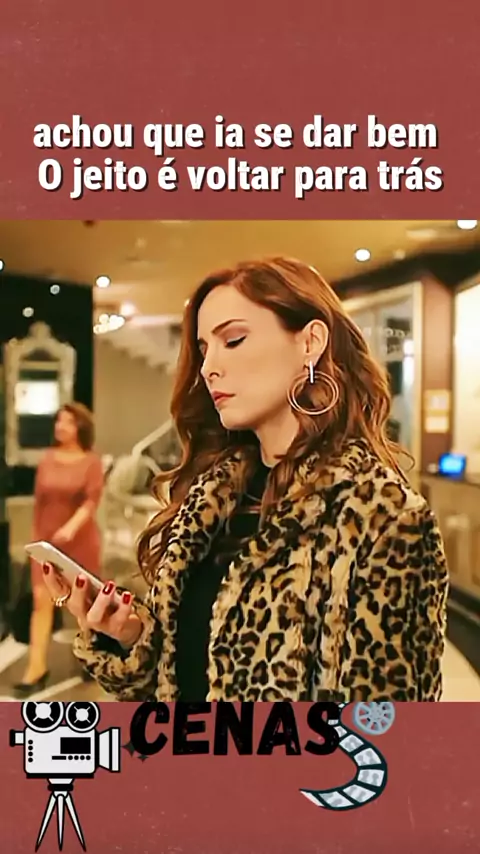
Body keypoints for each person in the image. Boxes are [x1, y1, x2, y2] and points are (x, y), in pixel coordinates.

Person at [42, 257, 449, 703]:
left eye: (233, 340)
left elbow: (386, 731)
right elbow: (179, 681)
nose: (208, 368)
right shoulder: (209, 499)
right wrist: (128, 635)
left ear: (310, 342)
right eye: (203, 349)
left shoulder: (384, 517)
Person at [14, 402, 104, 697]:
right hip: (46, 543)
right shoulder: (48, 459)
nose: (59, 427)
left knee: (83, 606)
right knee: (42, 604)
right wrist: (34, 540)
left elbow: (91, 501)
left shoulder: (91, 461)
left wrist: (71, 528)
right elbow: (39, 503)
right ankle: (36, 668)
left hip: (80, 543)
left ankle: (91, 658)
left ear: (80, 427)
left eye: (66, 422)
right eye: (58, 421)